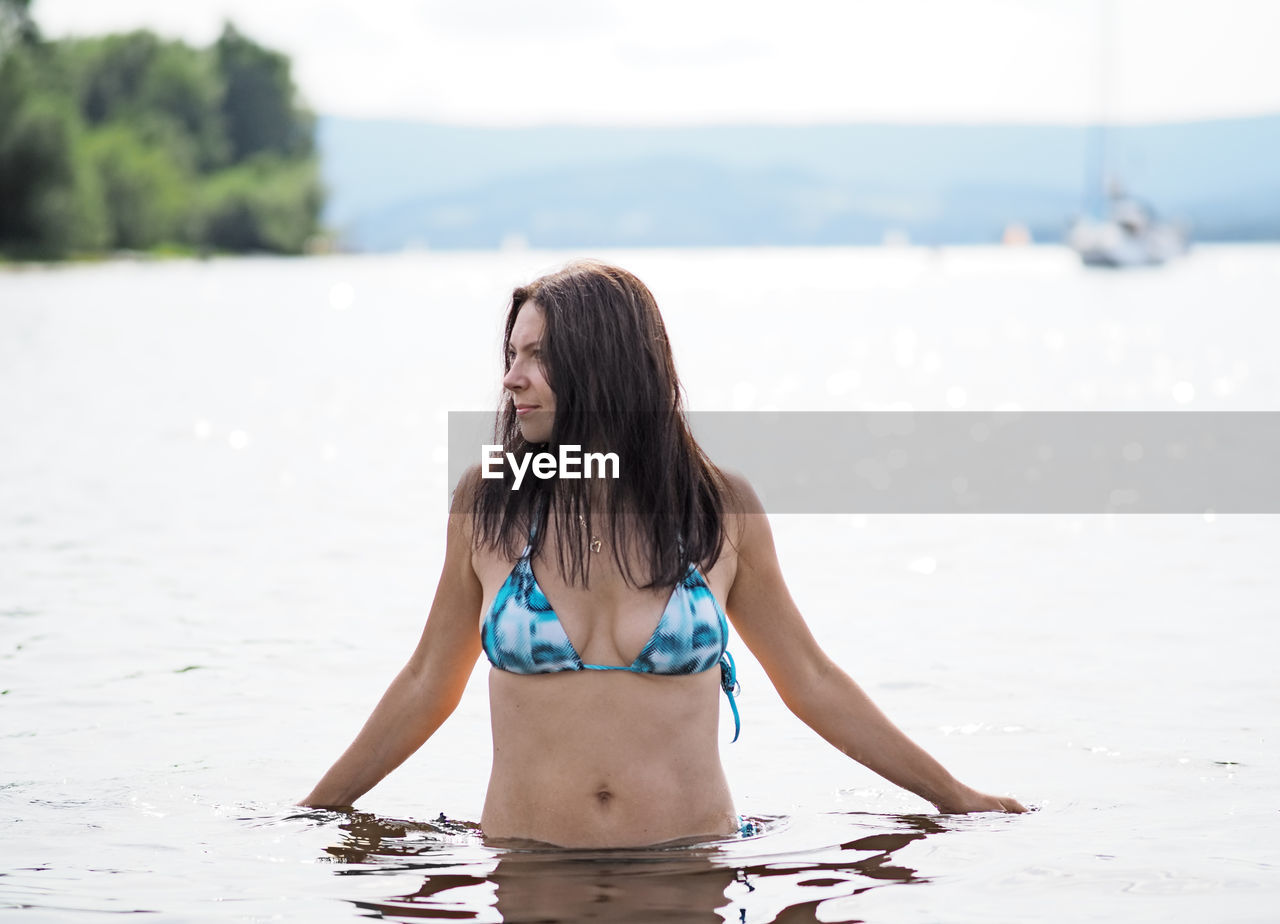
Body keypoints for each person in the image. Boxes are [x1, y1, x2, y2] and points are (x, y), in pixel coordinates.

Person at [302, 260, 1026, 847]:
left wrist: (954, 798)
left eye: (537, 356)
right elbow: (429, 681)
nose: (511, 377)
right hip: (529, 877)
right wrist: (311, 813)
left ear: (606, 365)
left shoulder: (718, 509)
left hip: (690, 874)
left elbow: (810, 680)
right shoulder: (491, 503)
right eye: (511, 354)